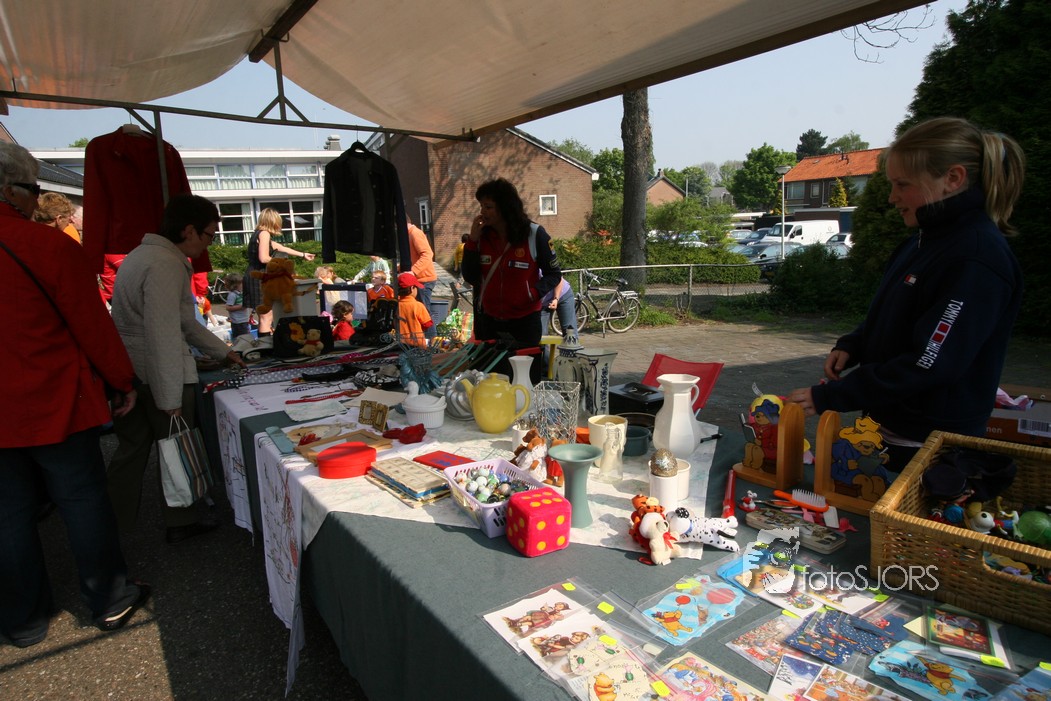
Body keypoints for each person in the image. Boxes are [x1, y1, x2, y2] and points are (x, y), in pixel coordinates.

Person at [787, 117, 1025, 470]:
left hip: (931, 444)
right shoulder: (920, 242)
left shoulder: (975, 257)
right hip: (890, 428)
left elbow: (929, 362)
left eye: (902, 184)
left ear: (953, 179)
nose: (892, 197)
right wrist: (853, 345)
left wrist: (832, 396)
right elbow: (892, 316)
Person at [0, 142, 149, 646]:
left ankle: (23, 619)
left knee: (8, 514)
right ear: (11, 191)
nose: (35, 199)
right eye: (32, 189)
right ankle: (109, 598)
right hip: (52, 398)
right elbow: (91, 326)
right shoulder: (44, 245)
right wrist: (121, 381)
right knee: (81, 499)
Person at [108, 194, 247, 544]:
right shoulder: (166, 264)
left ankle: (111, 521)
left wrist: (222, 351)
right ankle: (180, 519)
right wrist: (170, 394)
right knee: (176, 445)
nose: (209, 243)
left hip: (131, 369)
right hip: (159, 372)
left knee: (132, 447)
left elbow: (182, 321)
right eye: (209, 234)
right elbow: (164, 332)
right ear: (189, 230)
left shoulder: (142, 255)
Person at [461, 178, 561, 384]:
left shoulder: (535, 234)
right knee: (489, 383)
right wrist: (472, 241)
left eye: (488, 207)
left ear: (505, 207)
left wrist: (532, 294)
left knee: (523, 384)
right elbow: (470, 277)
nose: (482, 212)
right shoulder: (481, 237)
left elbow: (554, 274)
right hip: (489, 323)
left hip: (524, 323)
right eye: (481, 206)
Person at [243, 207, 315, 336]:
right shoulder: (264, 234)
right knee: (267, 316)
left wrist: (303, 254)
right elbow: (264, 258)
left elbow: (280, 247)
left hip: (254, 275)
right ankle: (266, 344)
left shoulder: (258, 233)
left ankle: (264, 342)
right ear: (273, 221)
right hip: (261, 277)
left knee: (263, 316)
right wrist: (282, 265)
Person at [407, 219, 438, 338]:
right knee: (422, 310)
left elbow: (427, 254)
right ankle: (425, 339)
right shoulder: (410, 234)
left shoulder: (415, 233)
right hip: (420, 279)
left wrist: (413, 271)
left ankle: (432, 340)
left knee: (424, 311)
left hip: (424, 279)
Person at [396, 271, 434, 347]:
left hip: (399, 345)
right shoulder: (418, 306)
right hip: (417, 345)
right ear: (412, 288)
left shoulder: (396, 305)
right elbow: (427, 324)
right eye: (416, 287)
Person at [224, 272, 253, 339]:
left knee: (245, 336)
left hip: (244, 320)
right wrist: (241, 306)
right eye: (241, 284)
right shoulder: (232, 295)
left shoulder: (241, 293)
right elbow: (228, 307)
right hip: (238, 322)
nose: (243, 285)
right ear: (235, 286)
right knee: (242, 337)